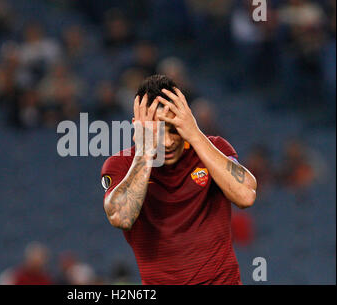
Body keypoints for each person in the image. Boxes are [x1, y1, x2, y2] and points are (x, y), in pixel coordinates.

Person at [100, 75, 257, 285]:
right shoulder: (122, 164)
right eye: (157, 131)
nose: (168, 141)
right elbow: (121, 217)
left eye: (174, 128)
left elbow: (246, 196)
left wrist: (195, 134)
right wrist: (145, 152)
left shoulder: (212, 149)